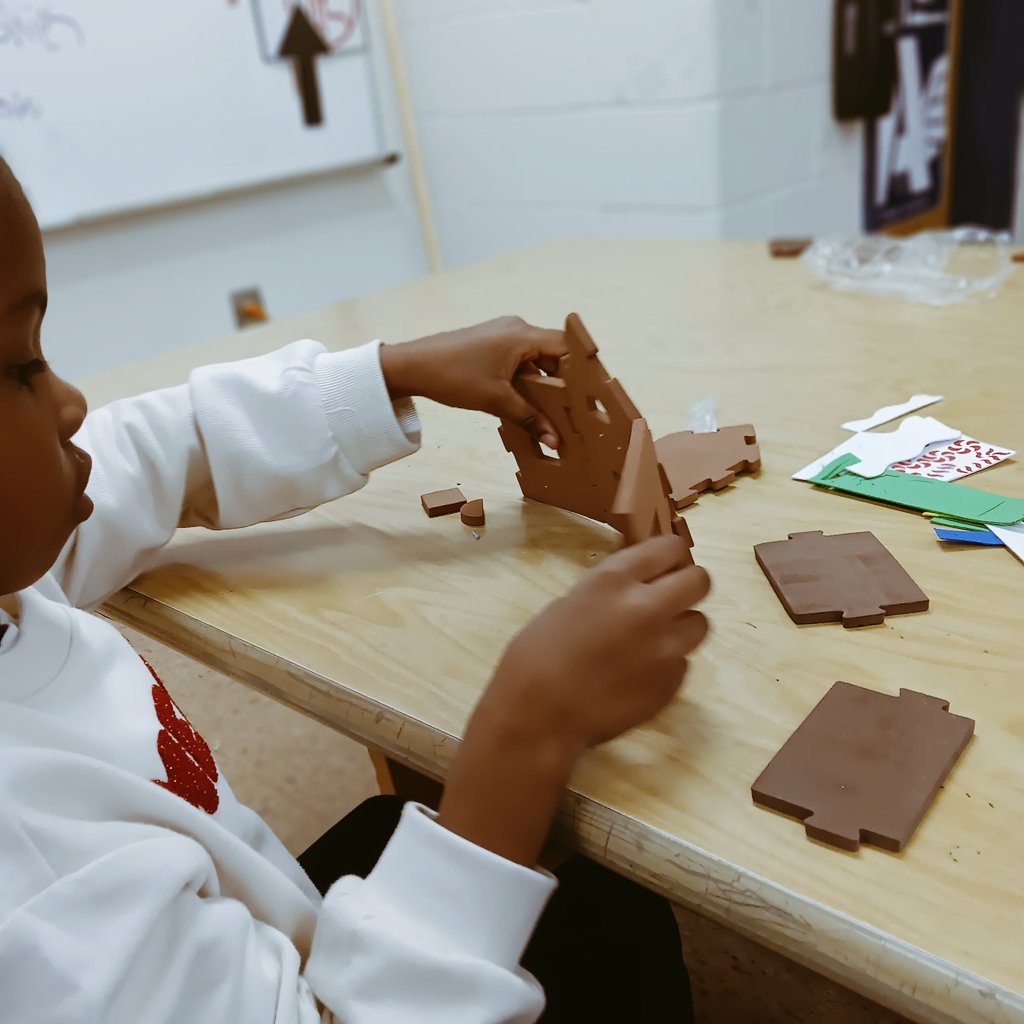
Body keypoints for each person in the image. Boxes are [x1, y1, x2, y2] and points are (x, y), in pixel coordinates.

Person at [0, 155, 710, 1023]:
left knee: (581, 900)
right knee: (605, 926)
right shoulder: (34, 895)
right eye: (19, 366)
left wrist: (391, 372)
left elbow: (148, 450)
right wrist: (529, 730)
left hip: (248, 915)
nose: (72, 403)